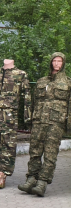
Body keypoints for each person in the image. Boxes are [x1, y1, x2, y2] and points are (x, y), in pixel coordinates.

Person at [19, 52, 70, 197]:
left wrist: (68, 124)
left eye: (59, 61)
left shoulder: (68, 82)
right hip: (39, 121)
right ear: (51, 62)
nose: (56, 64)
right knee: (34, 151)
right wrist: (30, 119)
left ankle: (42, 182)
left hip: (56, 123)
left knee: (50, 154)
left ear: (63, 63)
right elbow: (34, 102)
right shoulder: (42, 81)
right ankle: (31, 179)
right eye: (54, 61)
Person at [0, 59, 30, 188]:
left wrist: (27, 115)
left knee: (8, 144)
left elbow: (27, 95)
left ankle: (2, 174)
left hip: (9, 113)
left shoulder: (21, 74)